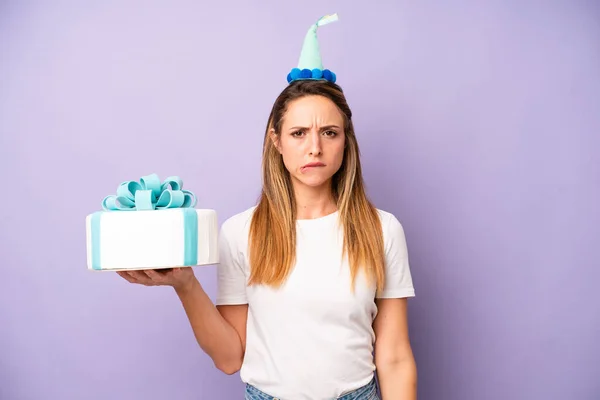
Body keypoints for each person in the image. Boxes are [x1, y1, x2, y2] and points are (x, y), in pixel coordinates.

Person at [117, 13, 417, 400]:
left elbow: (393, 357)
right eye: (298, 133)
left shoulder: (381, 229)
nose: (314, 147)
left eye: (329, 132)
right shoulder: (241, 233)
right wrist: (185, 284)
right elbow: (229, 359)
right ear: (277, 141)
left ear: (346, 141)